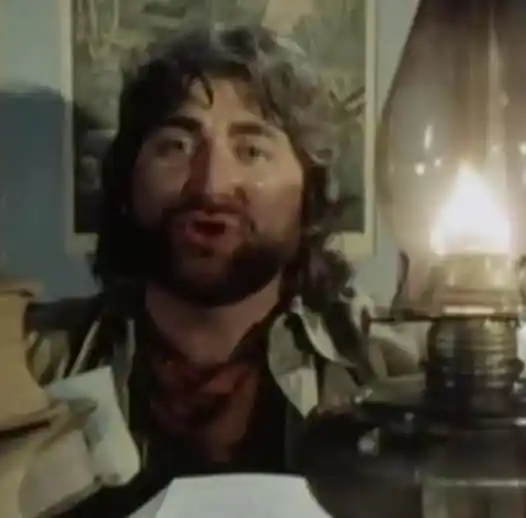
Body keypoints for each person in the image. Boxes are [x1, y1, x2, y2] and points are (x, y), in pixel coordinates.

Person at [26, 25, 419, 516]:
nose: (212, 185)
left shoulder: (391, 370)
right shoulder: (27, 369)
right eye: (176, 146)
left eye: (252, 150)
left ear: (309, 191)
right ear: (127, 181)